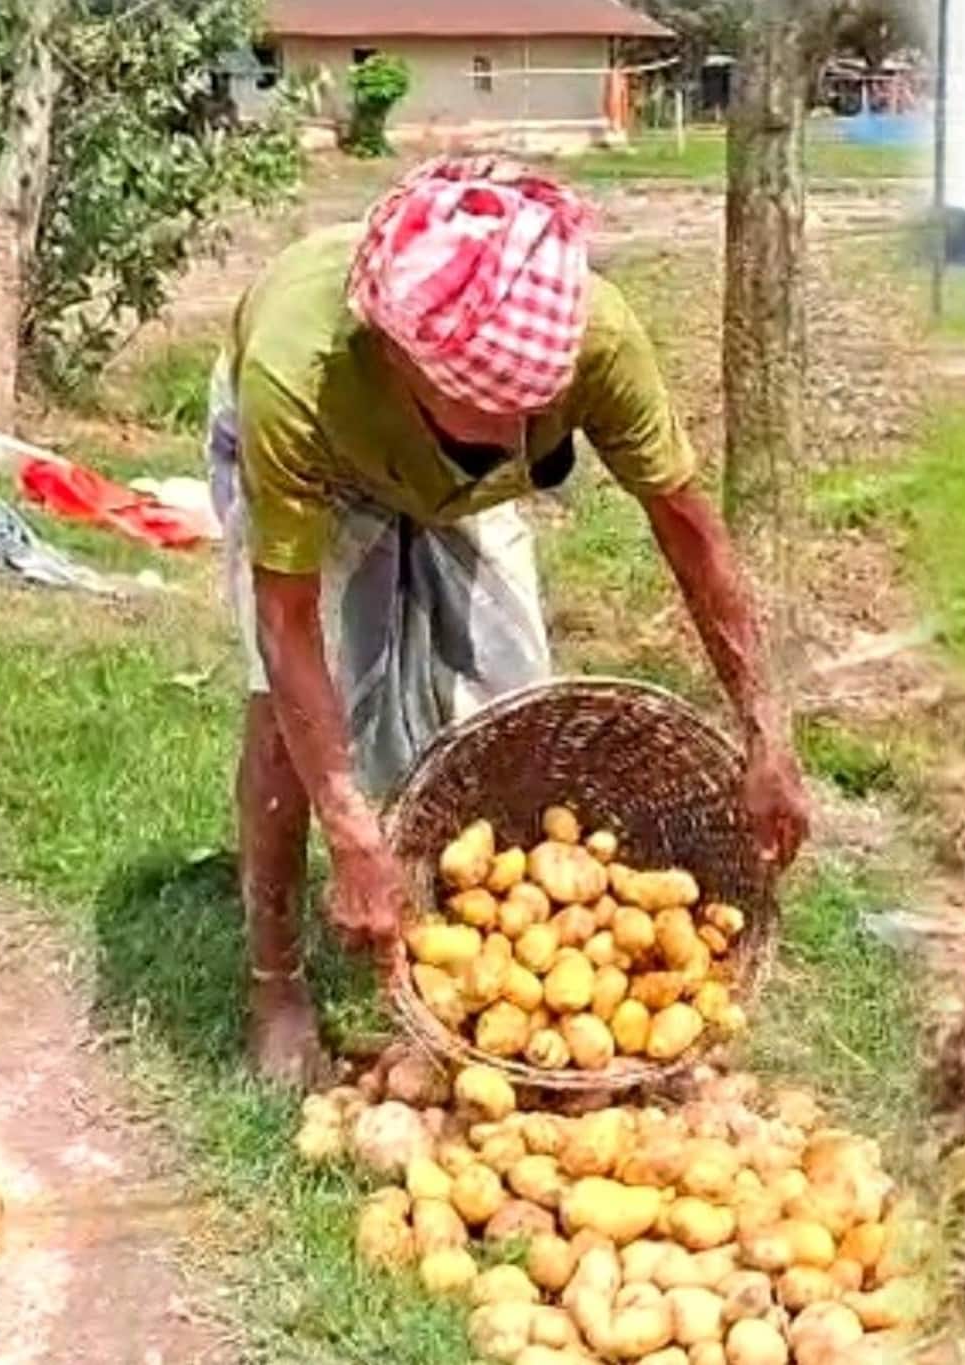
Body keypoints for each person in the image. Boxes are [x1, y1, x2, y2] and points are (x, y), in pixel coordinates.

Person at [204, 157, 811, 1084]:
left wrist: (766, 730)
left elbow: (693, 536)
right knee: (292, 725)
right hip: (325, 469)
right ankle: (273, 979)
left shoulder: (591, 338)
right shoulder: (303, 372)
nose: (517, 434)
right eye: (486, 411)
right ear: (401, 359)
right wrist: (349, 826)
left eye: (532, 411)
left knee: (518, 706)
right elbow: (286, 626)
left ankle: (475, 964)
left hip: (458, 493)